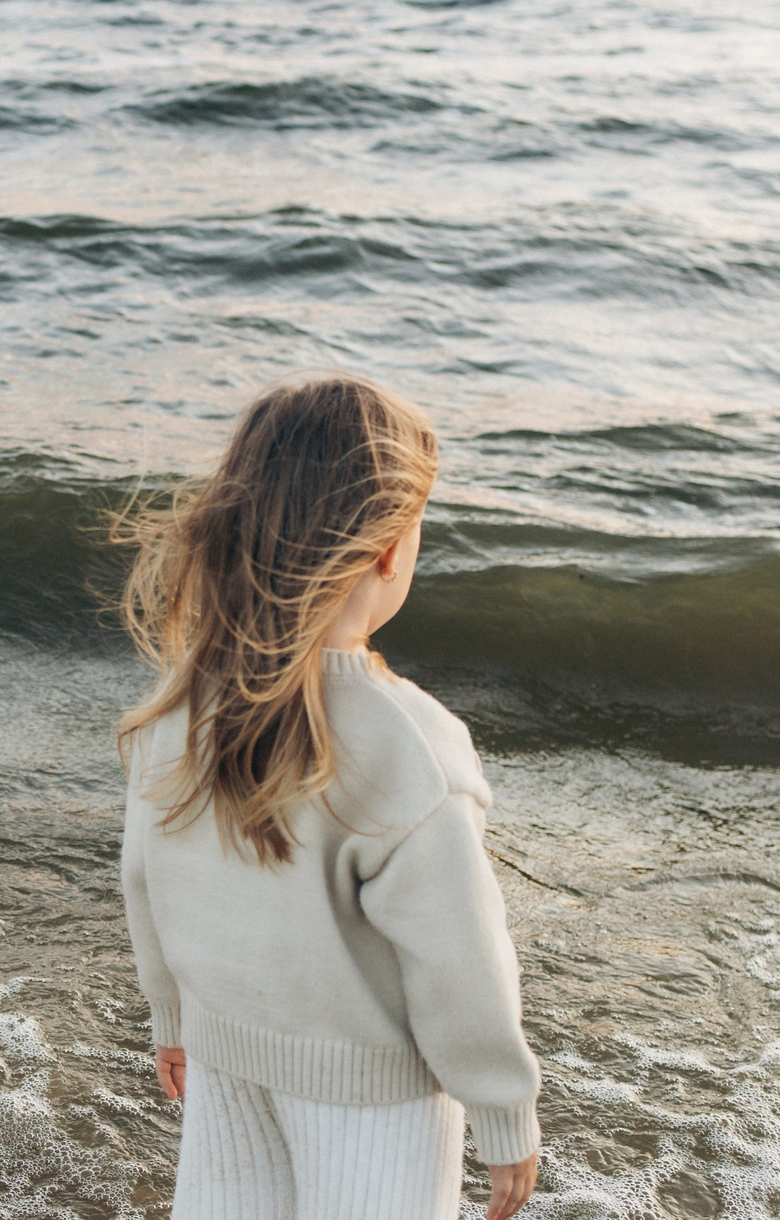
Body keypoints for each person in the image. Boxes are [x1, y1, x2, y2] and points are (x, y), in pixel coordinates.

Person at [117, 376, 541, 1220]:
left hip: (225, 1052)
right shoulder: (409, 742)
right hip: (372, 1094)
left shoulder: (185, 703)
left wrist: (171, 1014)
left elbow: (146, 873)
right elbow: (460, 957)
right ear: (389, 549)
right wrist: (503, 1111)